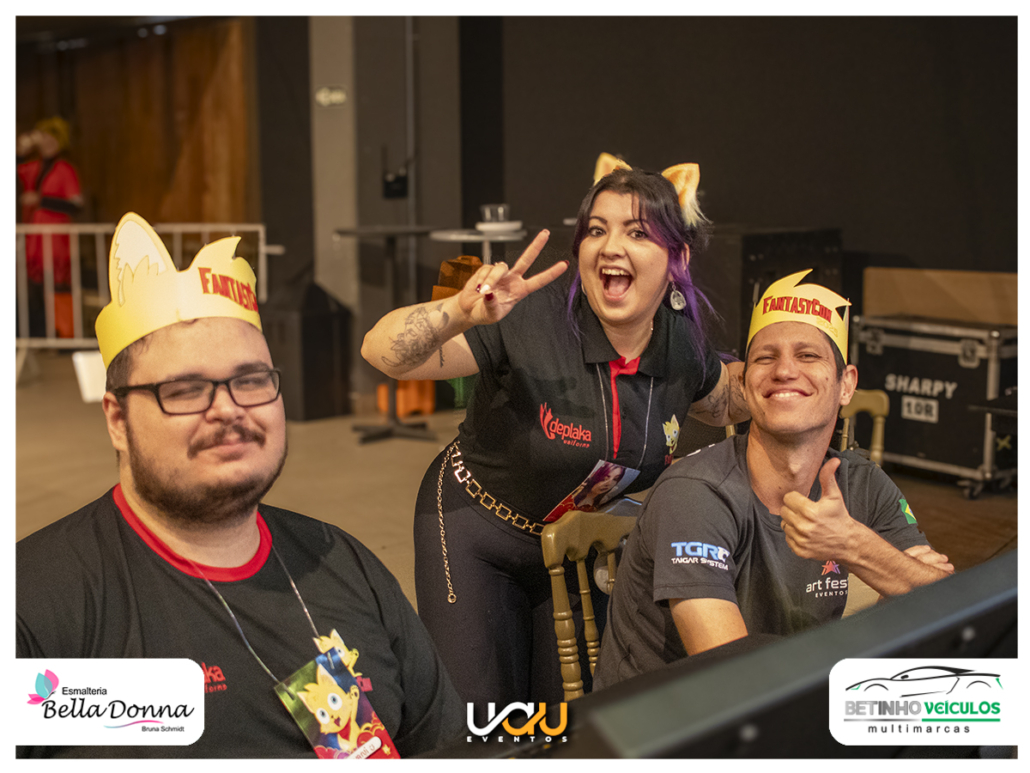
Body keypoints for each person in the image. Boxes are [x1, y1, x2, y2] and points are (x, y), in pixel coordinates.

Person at [16, 213, 465, 759]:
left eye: (250, 380)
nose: (228, 409)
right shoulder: (34, 606)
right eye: (185, 389)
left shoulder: (343, 564)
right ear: (116, 419)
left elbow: (446, 750)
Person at [361, 154, 750, 712]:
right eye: (596, 230)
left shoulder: (681, 344)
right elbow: (382, 352)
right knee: (479, 721)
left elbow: (726, 399)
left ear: (677, 259)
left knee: (563, 721)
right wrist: (459, 312)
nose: (610, 247)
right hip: (477, 531)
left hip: (576, 545)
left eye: (637, 232)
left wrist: (797, 372)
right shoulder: (528, 318)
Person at [593, 270, 954, 688]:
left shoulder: (862, 482)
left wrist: (853, 545)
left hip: (792, 699)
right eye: (765, 358)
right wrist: (899, 584)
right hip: (673, 720)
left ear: (846, 385)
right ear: (745, 384)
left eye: (808, 355)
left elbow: (950, 604)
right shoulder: (695, 494)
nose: (784, 370)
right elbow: (736, 679)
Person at [16, 116, 83, 338]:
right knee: (36, 286)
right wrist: (25, 145)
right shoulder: (34, 167)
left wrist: (41, 200)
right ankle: (42, 334)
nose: (46, 142)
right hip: (36, 237)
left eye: (51, 138)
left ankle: (64, 333)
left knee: (59, 283)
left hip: (56, 237)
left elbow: (76, 204)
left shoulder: (64, 169)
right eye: (44, 138)